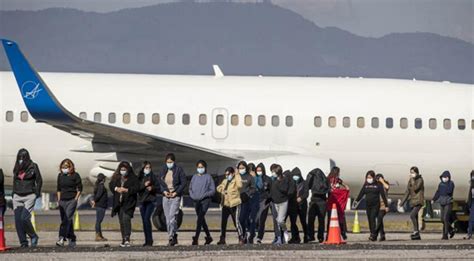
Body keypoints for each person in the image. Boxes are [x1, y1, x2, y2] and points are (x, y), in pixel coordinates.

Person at [12, 148, 42, 248]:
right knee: (18, 221)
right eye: (19, 157)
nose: (21, 159)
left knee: (24, 218)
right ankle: (23, 242)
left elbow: (39, 180)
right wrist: (13, 193)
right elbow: (15, 180)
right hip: (17, 196)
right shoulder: (17, 166)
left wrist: (37, 193)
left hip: (29, 195)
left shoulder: (33, 166)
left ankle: (33, 236)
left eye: (23, 157)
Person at [158, 153, 187, 246]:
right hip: (166, 196)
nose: (169, 163)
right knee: (167, 219)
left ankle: (171, 236)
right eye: (167, 162)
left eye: (170, 162)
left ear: (174, 162)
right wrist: (164, 192)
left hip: (175, 196)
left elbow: (183, 183)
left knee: (172, 217)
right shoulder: (163, 170)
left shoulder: (179, 170)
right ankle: (173, 236)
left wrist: (176, 192)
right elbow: (160, 183)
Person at [109, 161, 139, 247]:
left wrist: (127, 190)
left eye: (124, 169)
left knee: (126, 218)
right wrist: (116, 188)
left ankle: (127, 238)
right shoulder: (116, 177)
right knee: (121, 221)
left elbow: (137, 188)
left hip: (129, 203)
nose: (123, 171)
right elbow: (111, 185)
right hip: (119, 203)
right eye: (121, 169)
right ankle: (123, 239)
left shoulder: (133, 178)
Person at [353, 171, 388, 241]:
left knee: (372, 218)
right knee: (369, 219)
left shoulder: (378, 184)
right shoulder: (366, 185)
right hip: (368, 205)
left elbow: (383, 195)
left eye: (370, 177)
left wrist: (386, 205)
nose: (369, 179)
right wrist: (356, 201)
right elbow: (361, 193)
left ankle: (373, 234)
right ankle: (372, 233)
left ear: (373, 177)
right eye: (367, 177)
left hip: (375, 205)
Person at [56, 159, 83, 247]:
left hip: (71, 200)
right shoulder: (60, 176)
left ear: (70, 167)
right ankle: (72, 238)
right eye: (63, 167)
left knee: (66, 219)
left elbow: (80, 188)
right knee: (67, 220)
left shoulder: (75, 175)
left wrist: (76, 199)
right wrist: (59, 200)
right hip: (62, 201)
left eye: (66, 166)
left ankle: (61, 238)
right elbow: (58, 189)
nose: (64, 168)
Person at [189, 160, 215, 245]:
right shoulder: (194, 177)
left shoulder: (208, 177)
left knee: (200, 218)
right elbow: (190, 188)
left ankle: (196, 237)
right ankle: (208, 237)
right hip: (195, 201)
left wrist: (204, 195)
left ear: (205, 168)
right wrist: (193, 196)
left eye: (202, 167)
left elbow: (212, 190)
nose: (200, 169)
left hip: (205, 201)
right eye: (199, 167)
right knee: (202, 220)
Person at [216, 167, 243, 245]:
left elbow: (240, 185)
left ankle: (241, 237)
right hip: (226, 204)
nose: (227, 176)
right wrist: (222, 190)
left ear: (233, 174)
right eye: (226, 174)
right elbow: (218, 188)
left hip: (234, 204)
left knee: (236, 222)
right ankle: (222, 238)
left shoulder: (236, 180)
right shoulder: (225, 181)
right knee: (223, 223)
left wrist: (237, 175)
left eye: (228, 174)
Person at [269, 164, 293, 245]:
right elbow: (271, 190)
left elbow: (285, 189)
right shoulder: (273, 180)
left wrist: (278, 182)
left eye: (273, 171)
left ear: (278, 171)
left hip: (283, 202)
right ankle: (279, 237)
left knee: (280, 220)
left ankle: (285, 231)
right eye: (272, 171)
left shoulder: (284, 180)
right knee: (276, 221)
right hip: (274, 202)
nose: (272, 173)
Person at [399, 166, 424, 240]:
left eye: (413, 172)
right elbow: (407, 192)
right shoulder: (411, 180)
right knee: (415, 217)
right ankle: (417, 235)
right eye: (411, 172)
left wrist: (412, 180)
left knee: (412, 215)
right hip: (413, 201)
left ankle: (416, 231)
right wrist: (402, 203)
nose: (411, 174)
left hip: (419, 201)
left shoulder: (420, 179)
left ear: (416, 172)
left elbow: (416, 188)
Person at [138, 161, 159, 246]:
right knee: (144, 221)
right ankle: (147, 240)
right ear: (143, 168)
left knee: (147, 219)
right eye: (146, 168)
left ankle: (150, 240)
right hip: (142, 201)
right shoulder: (140, 178)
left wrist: (152, 188)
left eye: (149, 168)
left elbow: (158, 187)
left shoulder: (153, 177)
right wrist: (144, 185)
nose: (148, 169)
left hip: (151, 201)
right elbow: (137, 188)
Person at [326, 166, 350, 240]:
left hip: (337, 201)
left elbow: (346, 187)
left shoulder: (338, 180)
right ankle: (328, 235)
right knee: (331, 219)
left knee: (339, 217)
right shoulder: (327, 180)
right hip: (331, 201)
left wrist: (345, 189)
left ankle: (342, 232)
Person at [307, 168, 329, 243]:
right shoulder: (325, 180)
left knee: (311, 220)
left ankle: (311, 236)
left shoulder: (312, 178)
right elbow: (328, 190)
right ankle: (320, 237)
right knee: (321, 220)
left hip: (314, 201)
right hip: (322, 201)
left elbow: (308, 186)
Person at [237, 161, 257, 244]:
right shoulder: (236, 177)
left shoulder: (249, 177)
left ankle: (249, 234)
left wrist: (247, 194)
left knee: (244, 218)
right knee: (238, 220)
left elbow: (253, 188)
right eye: (240, 168)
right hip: (237, 201)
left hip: (246, 201)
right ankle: (242, 236)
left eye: (243, 168)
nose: (241, 169)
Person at [255, 163, 276, 244]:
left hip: (265, 201)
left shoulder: (267, 179)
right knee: (255, 219)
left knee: (262, 220)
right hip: (256, 201)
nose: (259, 171)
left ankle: (259, 237)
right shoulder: (254, 178)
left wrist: (268, 196)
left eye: (260, 170)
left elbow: (271, 189)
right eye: (257, 170)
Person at [432, 170, 455, 240]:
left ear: (448, 177)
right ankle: (451, 229)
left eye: (445, 177)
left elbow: (449, 191)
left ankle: (445, 235)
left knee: (445, 218)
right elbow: (438, 192)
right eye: (443, 177)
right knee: (442, 219)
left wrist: (446, 184)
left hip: (448, 203)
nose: (444, 178)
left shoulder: (451, 183)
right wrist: (434, 199)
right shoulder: (440, 184)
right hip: (442, 203)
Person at [288, 167, 309, 243]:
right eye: (294, 175)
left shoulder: (304, 183)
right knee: (293, 222)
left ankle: (307, 236)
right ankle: (295, 237)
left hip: (302, 205)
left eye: (297, 175)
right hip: (293, 205)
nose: (295, 177)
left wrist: (301, 197)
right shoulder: (291, 183)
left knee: (303, 221)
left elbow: (306, 193)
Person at [91, 173, 108, 242]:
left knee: (99, 221)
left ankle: (100, 235)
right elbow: (98, 195)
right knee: (98, 221)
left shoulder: (98, 185)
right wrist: (94, 201)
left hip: (100, 205)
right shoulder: (101, 186)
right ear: (103, 179)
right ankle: (97, 236)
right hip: (101, 206)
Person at [375, 173, 390, 241]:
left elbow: (387, 187)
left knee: (379, 219)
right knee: (379, 220)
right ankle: (382, 235)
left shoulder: (385, 184)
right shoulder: (376, 185)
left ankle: (374, 234)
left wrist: (382, 181)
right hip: (377, 205)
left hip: (384, 206)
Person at [465, 170, 474, 240]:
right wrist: (469, 204)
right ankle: (469, 234)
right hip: (473, 203)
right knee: (471, 219)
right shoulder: (472, 185)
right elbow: (470, 195)